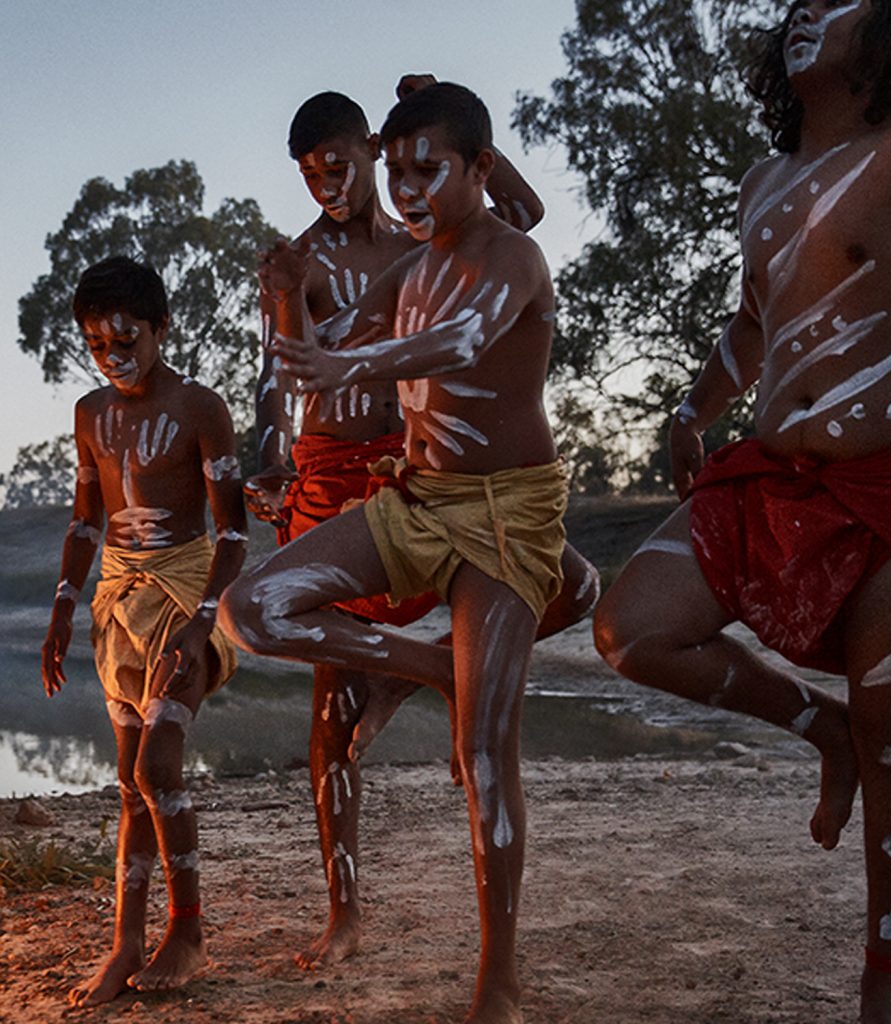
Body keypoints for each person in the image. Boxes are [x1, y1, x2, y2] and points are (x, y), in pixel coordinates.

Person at [592, 2, 891, 1021]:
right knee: (628, 628)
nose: (804, 14)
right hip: (778, 481)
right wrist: (693, 410)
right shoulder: (762, 183)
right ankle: (822, 730)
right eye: (797, 2)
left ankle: (884, 983)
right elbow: (754, 318)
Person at [219, 81, 573, 1024]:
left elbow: (481, 298)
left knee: (517, 689)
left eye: (343, 165)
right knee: (293, 658)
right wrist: (285, 324)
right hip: (383, 483)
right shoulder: (349, 262)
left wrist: (440, 112)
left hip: (493, 499)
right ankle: (431, 680)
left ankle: (498, 979)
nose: (330, 185)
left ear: (370, 151)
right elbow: (298, 365)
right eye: (310, 175)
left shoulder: (472, 247)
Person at [40, 257, 248, 1006]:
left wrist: (202, 623)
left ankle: (187, 932)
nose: (112, 357)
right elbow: (84, 520)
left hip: (188, 594)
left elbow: (234, 534)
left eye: (126, 341)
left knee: (159, 766)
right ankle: (126, 941)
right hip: (117, 603)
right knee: (131, 782)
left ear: (162, 328)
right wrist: (64, 607)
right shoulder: (89, 413)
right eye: (97, 345)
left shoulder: (201, 408)